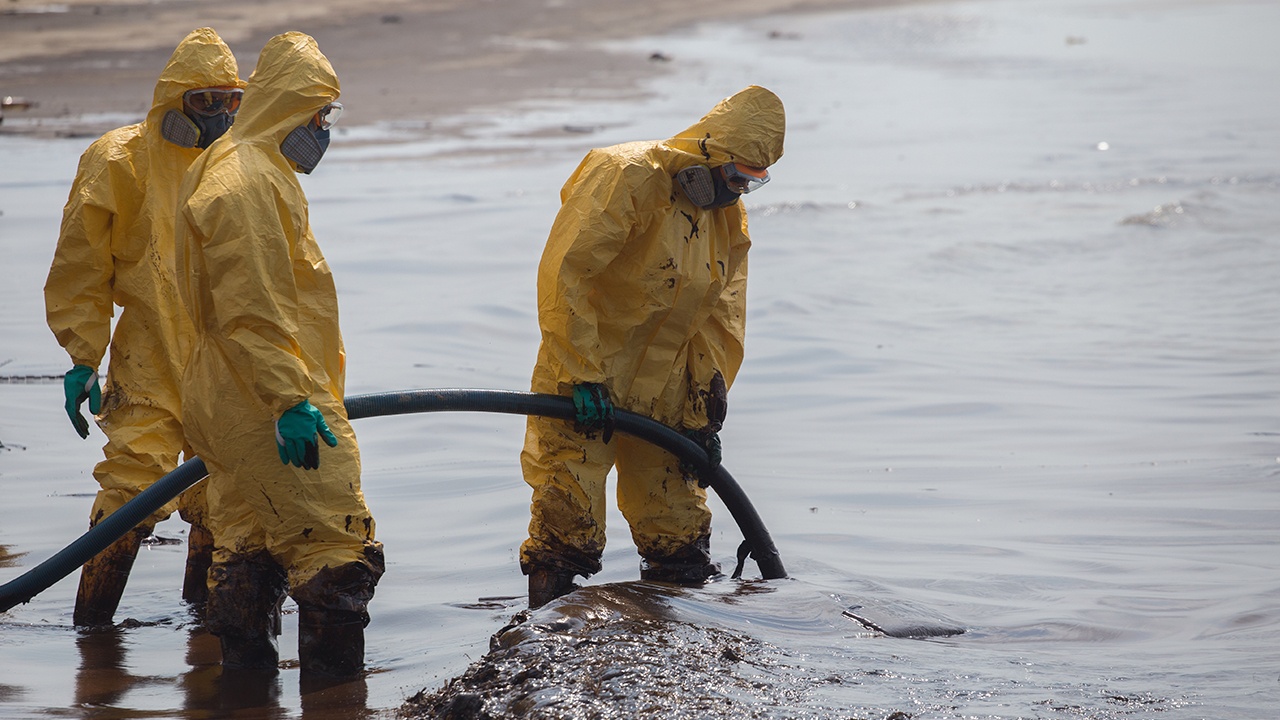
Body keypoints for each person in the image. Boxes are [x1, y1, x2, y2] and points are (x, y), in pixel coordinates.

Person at [520, 86, 785, 608]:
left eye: (753, 184)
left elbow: (719, 319)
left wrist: (702, 412)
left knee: (678, 527)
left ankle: (672, 629)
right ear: (706, 155)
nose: (737, 193)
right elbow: (566, 274)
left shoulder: (726, 219)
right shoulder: (625, 174)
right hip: (586, 377)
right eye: (735, 177)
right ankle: (544, 635)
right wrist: (581, 373)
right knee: (567, 519)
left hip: (665, 388)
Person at [174, 31, 383, 679]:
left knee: (247, 557)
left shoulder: (235, 163)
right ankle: (336, 698)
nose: (323, 130)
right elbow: (252, 309)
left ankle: (244, 695)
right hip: (268, 403)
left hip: (226, 399)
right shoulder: (246, 183)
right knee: (337, 555)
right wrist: (291, 400)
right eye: (319, 116)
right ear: (291, 108)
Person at [43, 27, 244, 627]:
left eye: (230, 101)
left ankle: (208, 635)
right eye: (205, 101)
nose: (218, 116)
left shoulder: (233, 164)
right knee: (133, 485)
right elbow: (81, 265)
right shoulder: (117, 160)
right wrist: (83, 355)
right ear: (174, 99)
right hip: (150, 354)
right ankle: (93, 625)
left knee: (224, 496)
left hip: (222, 356)